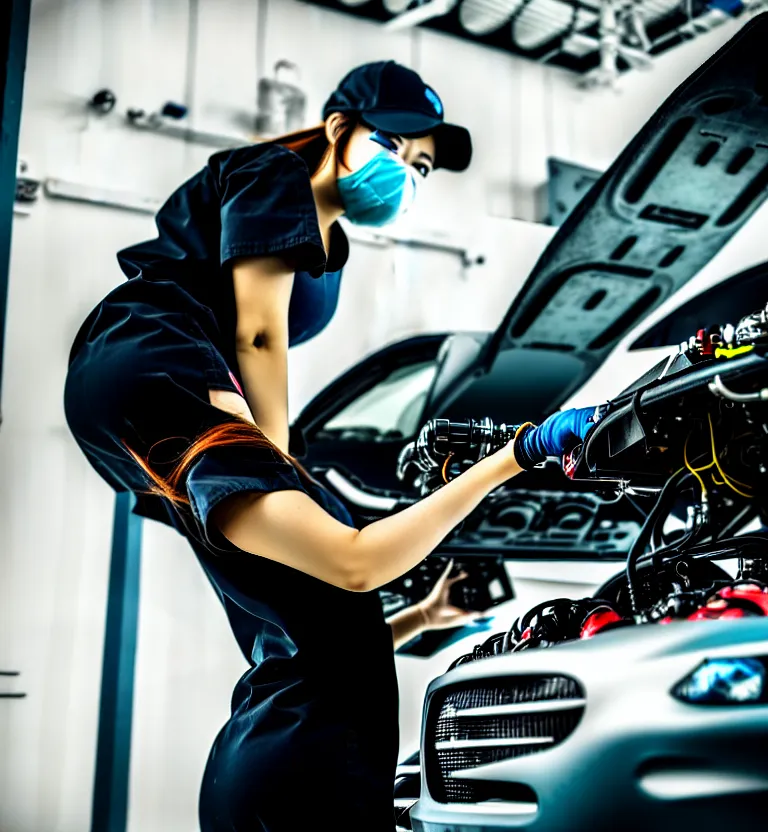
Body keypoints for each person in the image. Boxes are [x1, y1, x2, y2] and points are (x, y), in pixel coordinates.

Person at [63, 59, 596, 832]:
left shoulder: (329, 249)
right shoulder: (276, 173)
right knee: (294, 520)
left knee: (267, 553)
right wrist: (516, 454)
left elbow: (320, 636)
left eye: (421, 168)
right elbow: (256, 332)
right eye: (397, 149)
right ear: (340, 129)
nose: (408, 176)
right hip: (151, 353)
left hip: (279, 763)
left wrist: (422, 614)